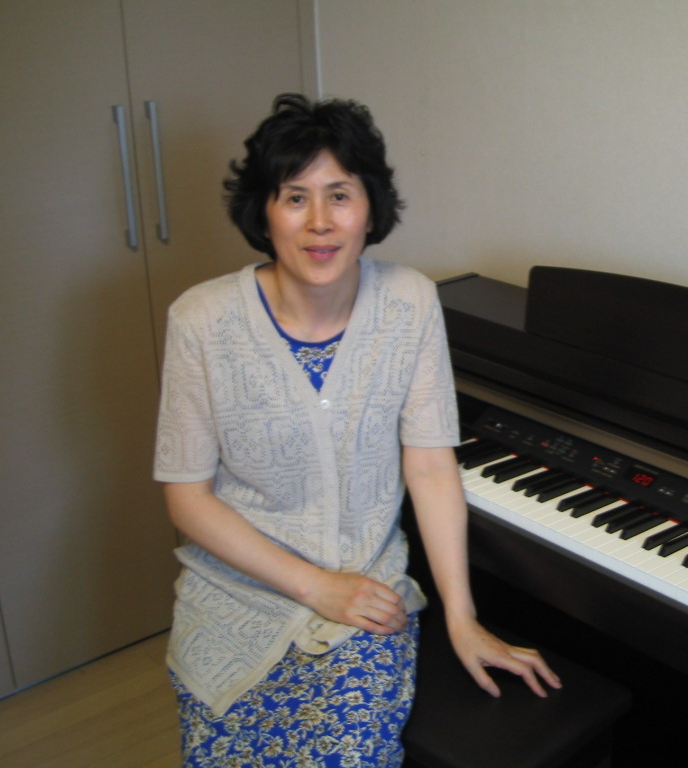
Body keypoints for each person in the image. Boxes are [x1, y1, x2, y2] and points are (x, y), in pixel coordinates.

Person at [154, 93, 560, 767]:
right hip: (237, 594)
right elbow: (187, 498)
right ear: (264, 213)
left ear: (370, 209)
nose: (320, 222)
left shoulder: (409, 301)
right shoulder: (201, 320)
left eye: (340, 195)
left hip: (365, 594)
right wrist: (314, 586)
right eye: (295, 197)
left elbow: (430, 467)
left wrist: (461, 618)